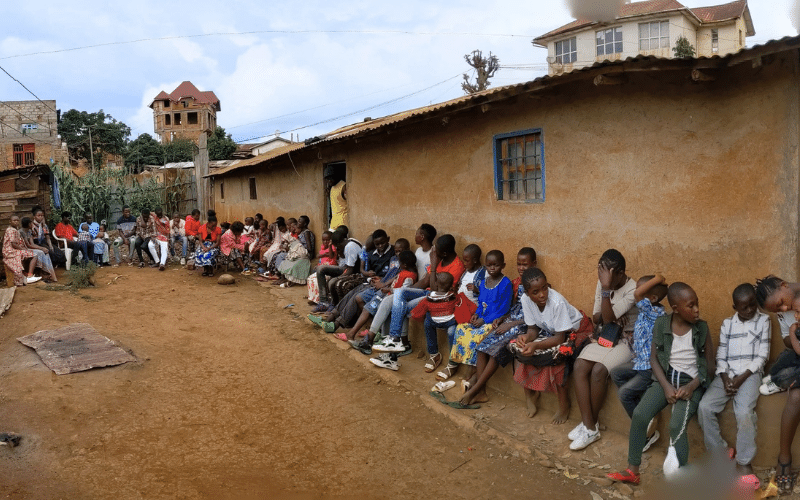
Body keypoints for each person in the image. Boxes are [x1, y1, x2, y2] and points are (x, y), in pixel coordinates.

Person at [607, 282, 713, 485]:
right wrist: (665, 387)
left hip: (691, 384)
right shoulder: (662, 324)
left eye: (697, 303)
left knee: (676, 426)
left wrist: (691, 387)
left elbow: (709, 366)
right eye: (691, 306)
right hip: (665, 381)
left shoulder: (701, 328)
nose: (697, 309)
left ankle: (681, 476)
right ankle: (633, 470)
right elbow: (654, 359)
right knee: (639, 414)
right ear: (676, 309)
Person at [697, 283, 769, 478]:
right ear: (735, 308)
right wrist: (725, 377)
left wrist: (740, 379)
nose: (750, 310)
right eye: (744, 307)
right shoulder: (727, 324)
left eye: (753, 305)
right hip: (727, 374)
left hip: (750, 375)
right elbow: (721, 354)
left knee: (744, 412)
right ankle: (719, 452)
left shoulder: (764, 321)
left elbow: (762, 355)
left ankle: (744, 461)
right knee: (705, 407)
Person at [570, 249, 638, 451]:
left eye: (606, 274)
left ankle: (590, 426)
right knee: (580, 365)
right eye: (601, 274)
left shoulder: (632, 289)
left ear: (620, 273)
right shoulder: (603, 282)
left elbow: (606, 317)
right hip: (607, 336)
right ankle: (589, 425)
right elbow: (597, 317)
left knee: (599, 370)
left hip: (627, 341)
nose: (602, 279)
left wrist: (607, 292)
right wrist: (610, 313)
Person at [510, 268, 593, 423]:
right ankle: (531, 395)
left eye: (544, 288)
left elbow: (560, 338)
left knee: (558, 361)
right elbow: (533, 329)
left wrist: (535, 345)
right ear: (527, 293)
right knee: (521, 353)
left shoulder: (557, 302)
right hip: (553, 332)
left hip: (575, 330)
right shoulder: (525, 300)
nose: (542, 294)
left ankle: (564, 404)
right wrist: (526, 338)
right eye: (535, 292)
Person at [458, 247, 537, 403]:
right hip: (509, 321)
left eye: (525, 265)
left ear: (533, 264)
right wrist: (502, 319)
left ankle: (475, 390)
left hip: (524, 326)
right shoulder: (516, 283)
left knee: (495, 349)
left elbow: (535, 318)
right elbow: (512, 308)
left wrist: (510, 323)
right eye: (518, 264)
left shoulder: (538, 285)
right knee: (482, 348)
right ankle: (481, 392)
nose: (521, 268)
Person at [372, 233, 463, 360]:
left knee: (399, 305)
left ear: (445, 253)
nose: (433, 252)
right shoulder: (441, 259)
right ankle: (393, 340)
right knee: (398, 295)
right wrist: (406, 292)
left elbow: (436, 291)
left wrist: (433, 266)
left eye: (436, 250)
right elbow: (425, 281)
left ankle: (392, 351)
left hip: (438, 298)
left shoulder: (456, 267)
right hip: (428, 293)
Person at [609, 274, 669, 452]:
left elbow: (637, 295)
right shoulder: (647, 309)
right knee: (616, 373)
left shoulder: (653, 311)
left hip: (649, 368)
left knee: (624, 393)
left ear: (652, 298)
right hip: (639, 362)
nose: (636, 293)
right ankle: (644, 412)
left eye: (640, 290)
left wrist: (658, 279)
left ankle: (645, 432)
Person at [754, 275, 800, 492]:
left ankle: (784, 380)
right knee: (796, 395)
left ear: (784, 285)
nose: (783, 308)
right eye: (777, 310)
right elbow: (787, 341)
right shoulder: (786, 309)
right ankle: (784, 458)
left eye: (782, 303)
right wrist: (794, 332)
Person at [446, 250, 513, 382]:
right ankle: (465, 365)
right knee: (461, 329)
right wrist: (476, 315)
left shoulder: (506, 284)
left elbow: (504, 309)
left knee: (477, 336)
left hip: (494, 321)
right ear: (485, 266)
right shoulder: (484, 282)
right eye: (489, 265)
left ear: (503, 266)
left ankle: (474, 369)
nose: (492, 268)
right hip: (482, 319)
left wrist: (484, 320)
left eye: (496, 265)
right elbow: (481, 303)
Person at [346, 248, 416, 347]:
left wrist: (389, 290)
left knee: (368, 309)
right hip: (386, 295)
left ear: (404, 265)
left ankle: (354, 334)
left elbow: (404, 291)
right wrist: (384, 285)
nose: (398, 265)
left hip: (389, 297)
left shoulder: (410, 277)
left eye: (399, 262)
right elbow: (396, 279)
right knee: (367, 308)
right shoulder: (404, 271)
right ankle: (364, 335)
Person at [410, 272, 458, 371]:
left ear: (436, 283)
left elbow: (417, 312)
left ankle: (434, 353)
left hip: (435, 322)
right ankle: (448, 358)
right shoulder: (453, 296)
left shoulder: (429, 298)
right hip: (450, 322)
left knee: (427, 321)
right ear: (451, 286)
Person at [313, 229, 362, 311]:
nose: (336, 248)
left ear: (338, 244)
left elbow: (350, 270)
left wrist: (338, 278)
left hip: (354, 271)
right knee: (320, 269)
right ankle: (323, 302)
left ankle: (334, 304)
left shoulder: (350, 247)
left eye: (336, 246)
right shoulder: (347, 243)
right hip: (345, 268)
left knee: (332, 282)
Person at [276, 216, 316, 286]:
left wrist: (298, 246)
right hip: (299, 252)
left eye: (300, 222)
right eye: (298, 221)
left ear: (305, 224)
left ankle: (286, 279)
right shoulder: (300, 232)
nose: (298, 223)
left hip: (306, 254)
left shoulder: (306, 233)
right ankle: (283, 278)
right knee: (286, 260)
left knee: (289, 260)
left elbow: (309, 248)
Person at [3, 215, 40, 285]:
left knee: (27, 255)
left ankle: (25, 274)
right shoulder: (11, 230)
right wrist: (24, 250)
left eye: (17, 220)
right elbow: (13, 244)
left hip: (13, 250)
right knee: (34, 255)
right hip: (10, 251)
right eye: (14, 220)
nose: (16, 222)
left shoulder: (13, 229)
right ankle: (30, 275)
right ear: (10, 222)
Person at [18, 217, 57, 282]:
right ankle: (43, 272)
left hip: (28, 248)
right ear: (28, 224)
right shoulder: (21, 232)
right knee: (40, 252)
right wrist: (41, 248)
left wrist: (42, 248)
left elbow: (32, 244)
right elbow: (28, 245)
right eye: (31, 223)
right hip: (23, 249)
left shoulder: (29, 231)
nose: (32, 225)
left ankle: (48, 273)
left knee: (44, 252)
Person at [325, 166, 347, 230]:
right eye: (327, 179)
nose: (329, 181)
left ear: (335, 176)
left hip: (343, 223)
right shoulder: (332, 188)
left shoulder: (343, 186)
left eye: (330, 178)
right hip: (334, 223)